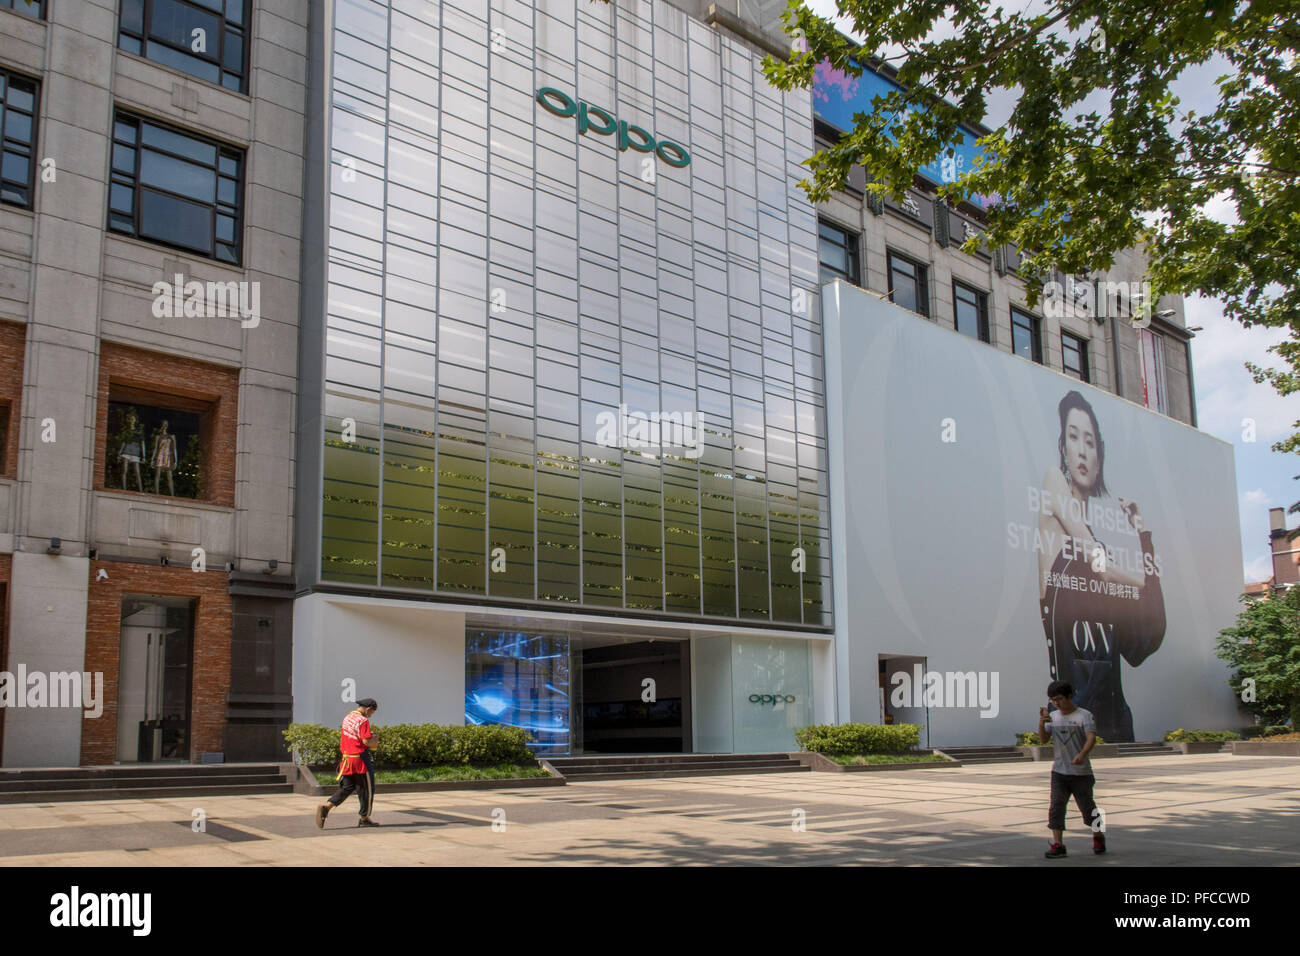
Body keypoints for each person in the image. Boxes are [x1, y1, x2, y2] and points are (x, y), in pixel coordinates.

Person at [1038, 390, 1166, 741]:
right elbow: (1099, 565)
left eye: (1090, 441)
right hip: (1073, 712)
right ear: (1062, 446)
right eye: (1073, 437)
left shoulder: (1101, 546)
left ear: (1100, 454)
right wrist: (1142, 580)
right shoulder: (1053, 481)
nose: (1082, 449)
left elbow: (1142, 643)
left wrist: (1143, 535)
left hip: (1115, 720)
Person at [1039, 680, 1104, 858]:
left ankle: (1098, 834)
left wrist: (1082, 755)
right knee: (1056, 807)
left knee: (1088, 807)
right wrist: (1042, 721)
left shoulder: (1084, 715)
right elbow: (1044, 739)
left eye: (1059, 699)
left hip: (1081, 773)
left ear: (1070, 696)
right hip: (1059, 772)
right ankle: (1058, 844)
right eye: (1053, 700)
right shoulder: (1053, 716)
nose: (1057, 703)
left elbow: (1091, 738)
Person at [316, 698, 380, 829]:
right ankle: (364, 818)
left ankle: (326, 807)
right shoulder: (363, 721)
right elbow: (366, 742)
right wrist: (374, 739)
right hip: (360, 759)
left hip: (347, 759)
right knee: (367, 789)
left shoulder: (348, 717)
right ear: (368, 709)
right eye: (372, 712)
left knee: (347, 787)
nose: (371, 715)